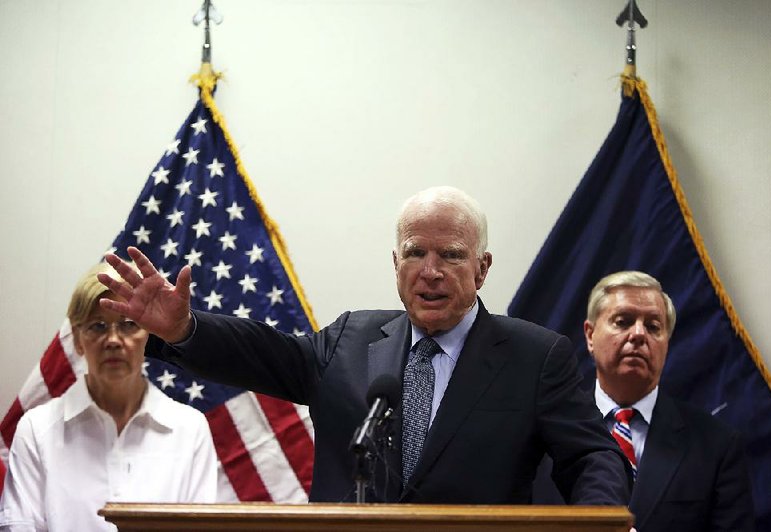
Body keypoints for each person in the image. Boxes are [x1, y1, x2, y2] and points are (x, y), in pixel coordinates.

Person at [98, 186, 631, 504]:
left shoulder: (535, 357)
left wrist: (600, 519)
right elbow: (264, 353)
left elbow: (591, 457)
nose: (431, 271)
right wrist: (182, 328)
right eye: (415, 252)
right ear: (395, 265)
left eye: (450, 254)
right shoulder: (351, 340)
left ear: (482, 268)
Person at [0, 263, 217, 532]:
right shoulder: (36, 430)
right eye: (98, 326)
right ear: (78, 340)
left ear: (147, 336)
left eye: (128, 324)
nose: (113, 340)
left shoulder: (190, 429)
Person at [584, 271, 754, 531]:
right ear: (590, 335)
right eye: (623, 321)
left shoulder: (717, 446)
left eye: (653, 326)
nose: (639, 334)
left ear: (667, 344)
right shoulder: (543, 430)